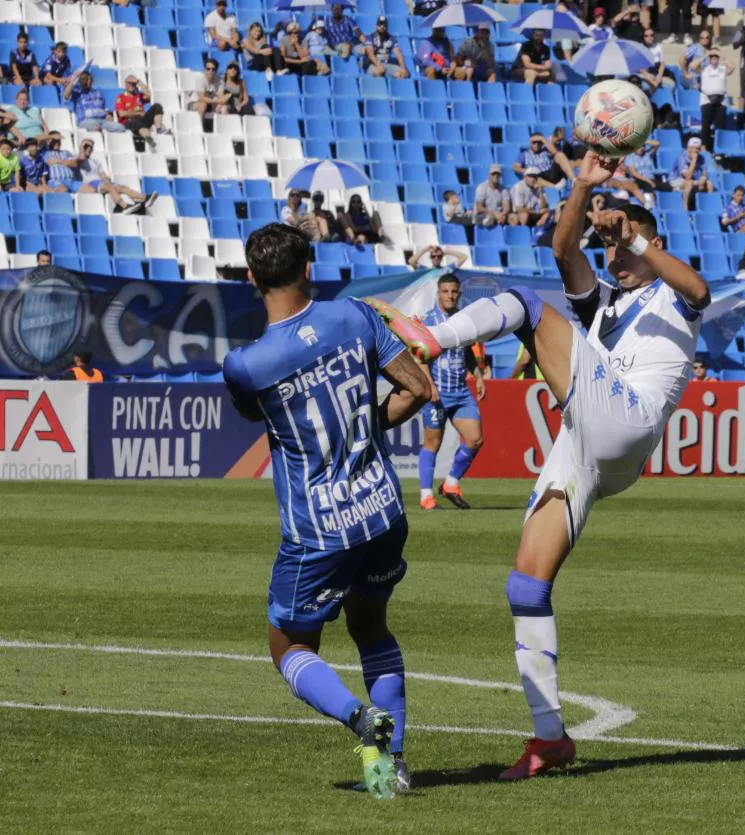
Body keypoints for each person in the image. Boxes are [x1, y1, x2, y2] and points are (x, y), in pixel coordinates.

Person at [368, 151, 708, 780]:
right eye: (610, 245)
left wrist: (632, 234)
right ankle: (549, 737)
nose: (612, 252)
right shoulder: (603, 305)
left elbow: (699, 289)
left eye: (624, 242)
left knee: (521, 302)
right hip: (588, 441)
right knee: (526, 584)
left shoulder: (670, 292)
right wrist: (582, 189)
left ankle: (428, 338)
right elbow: (562, 249)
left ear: (650, 240)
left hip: (626, 417)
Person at [221, 223, 434, 800]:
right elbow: (419, 388)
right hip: (383, 509)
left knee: (288, 646)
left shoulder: (245, 364)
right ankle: (396, 764)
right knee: (371, 626)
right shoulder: (356, 316)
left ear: (251, 279)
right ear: (309, 267)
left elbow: (253, 416)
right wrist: (367, 423)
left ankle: (362, 720)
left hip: (318, 527)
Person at [413, 274, 486, 511]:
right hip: (437, 393)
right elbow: (420, 355)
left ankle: (450, 484)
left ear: (459, 294)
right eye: (445, 291)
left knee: (475, 439)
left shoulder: (465, 321)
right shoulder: (428, 321)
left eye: (454, 292)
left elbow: (466, 354)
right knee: (432, 444)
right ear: (438, 293)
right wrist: (429, 385)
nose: (450, 296)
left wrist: (477, 374)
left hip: (461, 392)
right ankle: (426, 497)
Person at [698, 51, 733, 151]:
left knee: (720, 125)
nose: (714, 58)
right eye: (712, 57)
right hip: (706, 99)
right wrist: (705, 56)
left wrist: (722, 56)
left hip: (721, 100)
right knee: (706, 125)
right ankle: (704, 147)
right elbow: (692, 66)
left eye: (716, 57)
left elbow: (733, 67)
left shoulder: (723, 69)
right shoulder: (704, 69)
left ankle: (718, 147)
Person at [116, 75, 165, 144]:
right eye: (130, 83)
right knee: (137, 122)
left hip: (142, 120)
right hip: (129, 122)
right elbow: (122, 113)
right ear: (126, 84)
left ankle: (159, 130)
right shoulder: (121, 97)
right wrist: (138, 113)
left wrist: (139, 82)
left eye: (133, 84)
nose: (132, 85)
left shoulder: (139, 95)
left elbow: (149, 95)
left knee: (157, 106)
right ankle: (150, 142)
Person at [670, 136, 712, 211]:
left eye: (697, 149)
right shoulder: (682, 157)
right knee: (690, 183)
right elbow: (687, 176)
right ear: (688, 147)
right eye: (693, 148)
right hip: (677, 180)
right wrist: (694, 160)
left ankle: (708, 208)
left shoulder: (701, 158)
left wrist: (704, 178)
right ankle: (685, 208)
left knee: (709, 184)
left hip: (694, 180)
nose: (695, 151)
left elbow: (705, 172)